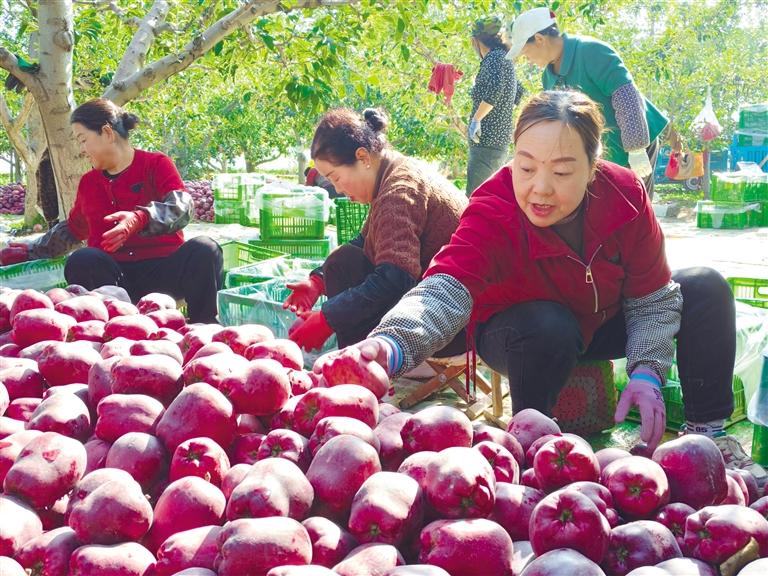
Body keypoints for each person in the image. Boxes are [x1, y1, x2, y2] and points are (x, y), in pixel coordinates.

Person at [319, 90, 765, 487]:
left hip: (603, 319)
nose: (541, 188)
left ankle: (708, 436)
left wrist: (647, 371)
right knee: (546, 322)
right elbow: (446, 287)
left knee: (703, 286)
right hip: (520, 332)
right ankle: (534, 450)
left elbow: (651, 298)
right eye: (526, 167)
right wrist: (392, 343)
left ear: (592, 167)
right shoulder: (493, 205)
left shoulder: (625, 194)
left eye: (563, 171)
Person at [1, 98, 222, 324]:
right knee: (82, 259)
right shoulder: (89, 183)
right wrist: (30, 250)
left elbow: (182, 207)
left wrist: (141, 218)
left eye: (83, 140)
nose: (82, 150)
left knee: (205, 249)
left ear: (107, 133)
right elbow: (74, 230)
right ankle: (106, 327)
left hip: (164, 275)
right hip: (114, 283)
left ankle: (203, 326)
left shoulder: (156, 164)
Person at [284, 107, 468, 355]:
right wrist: (317, 281)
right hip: (447, 306)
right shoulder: (393, 173)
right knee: (342, 261)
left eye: (336, 178)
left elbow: (395, 280)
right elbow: (363, 241)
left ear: (362, 157)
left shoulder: (398, 192)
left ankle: (360, 362)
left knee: (344, 265)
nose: (338, 190)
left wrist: (329, 319)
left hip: (452, 321)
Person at [504, 7, 668, 199]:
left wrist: (636, 148)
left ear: (539, 39)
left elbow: (626, 96)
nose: (528, 61)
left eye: (526, 53)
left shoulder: (591, 51)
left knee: (634, 203)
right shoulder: (548, 77)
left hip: (635, 139)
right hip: (602, 152)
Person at [466, 16, 522, 196]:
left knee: (476, 197)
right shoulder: (505, 58)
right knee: (490, 196)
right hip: (498, 141)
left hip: (486, 142)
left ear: (475, 40)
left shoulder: (494, 58)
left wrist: (476, 120)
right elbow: (518, 92)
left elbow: (493, 92)